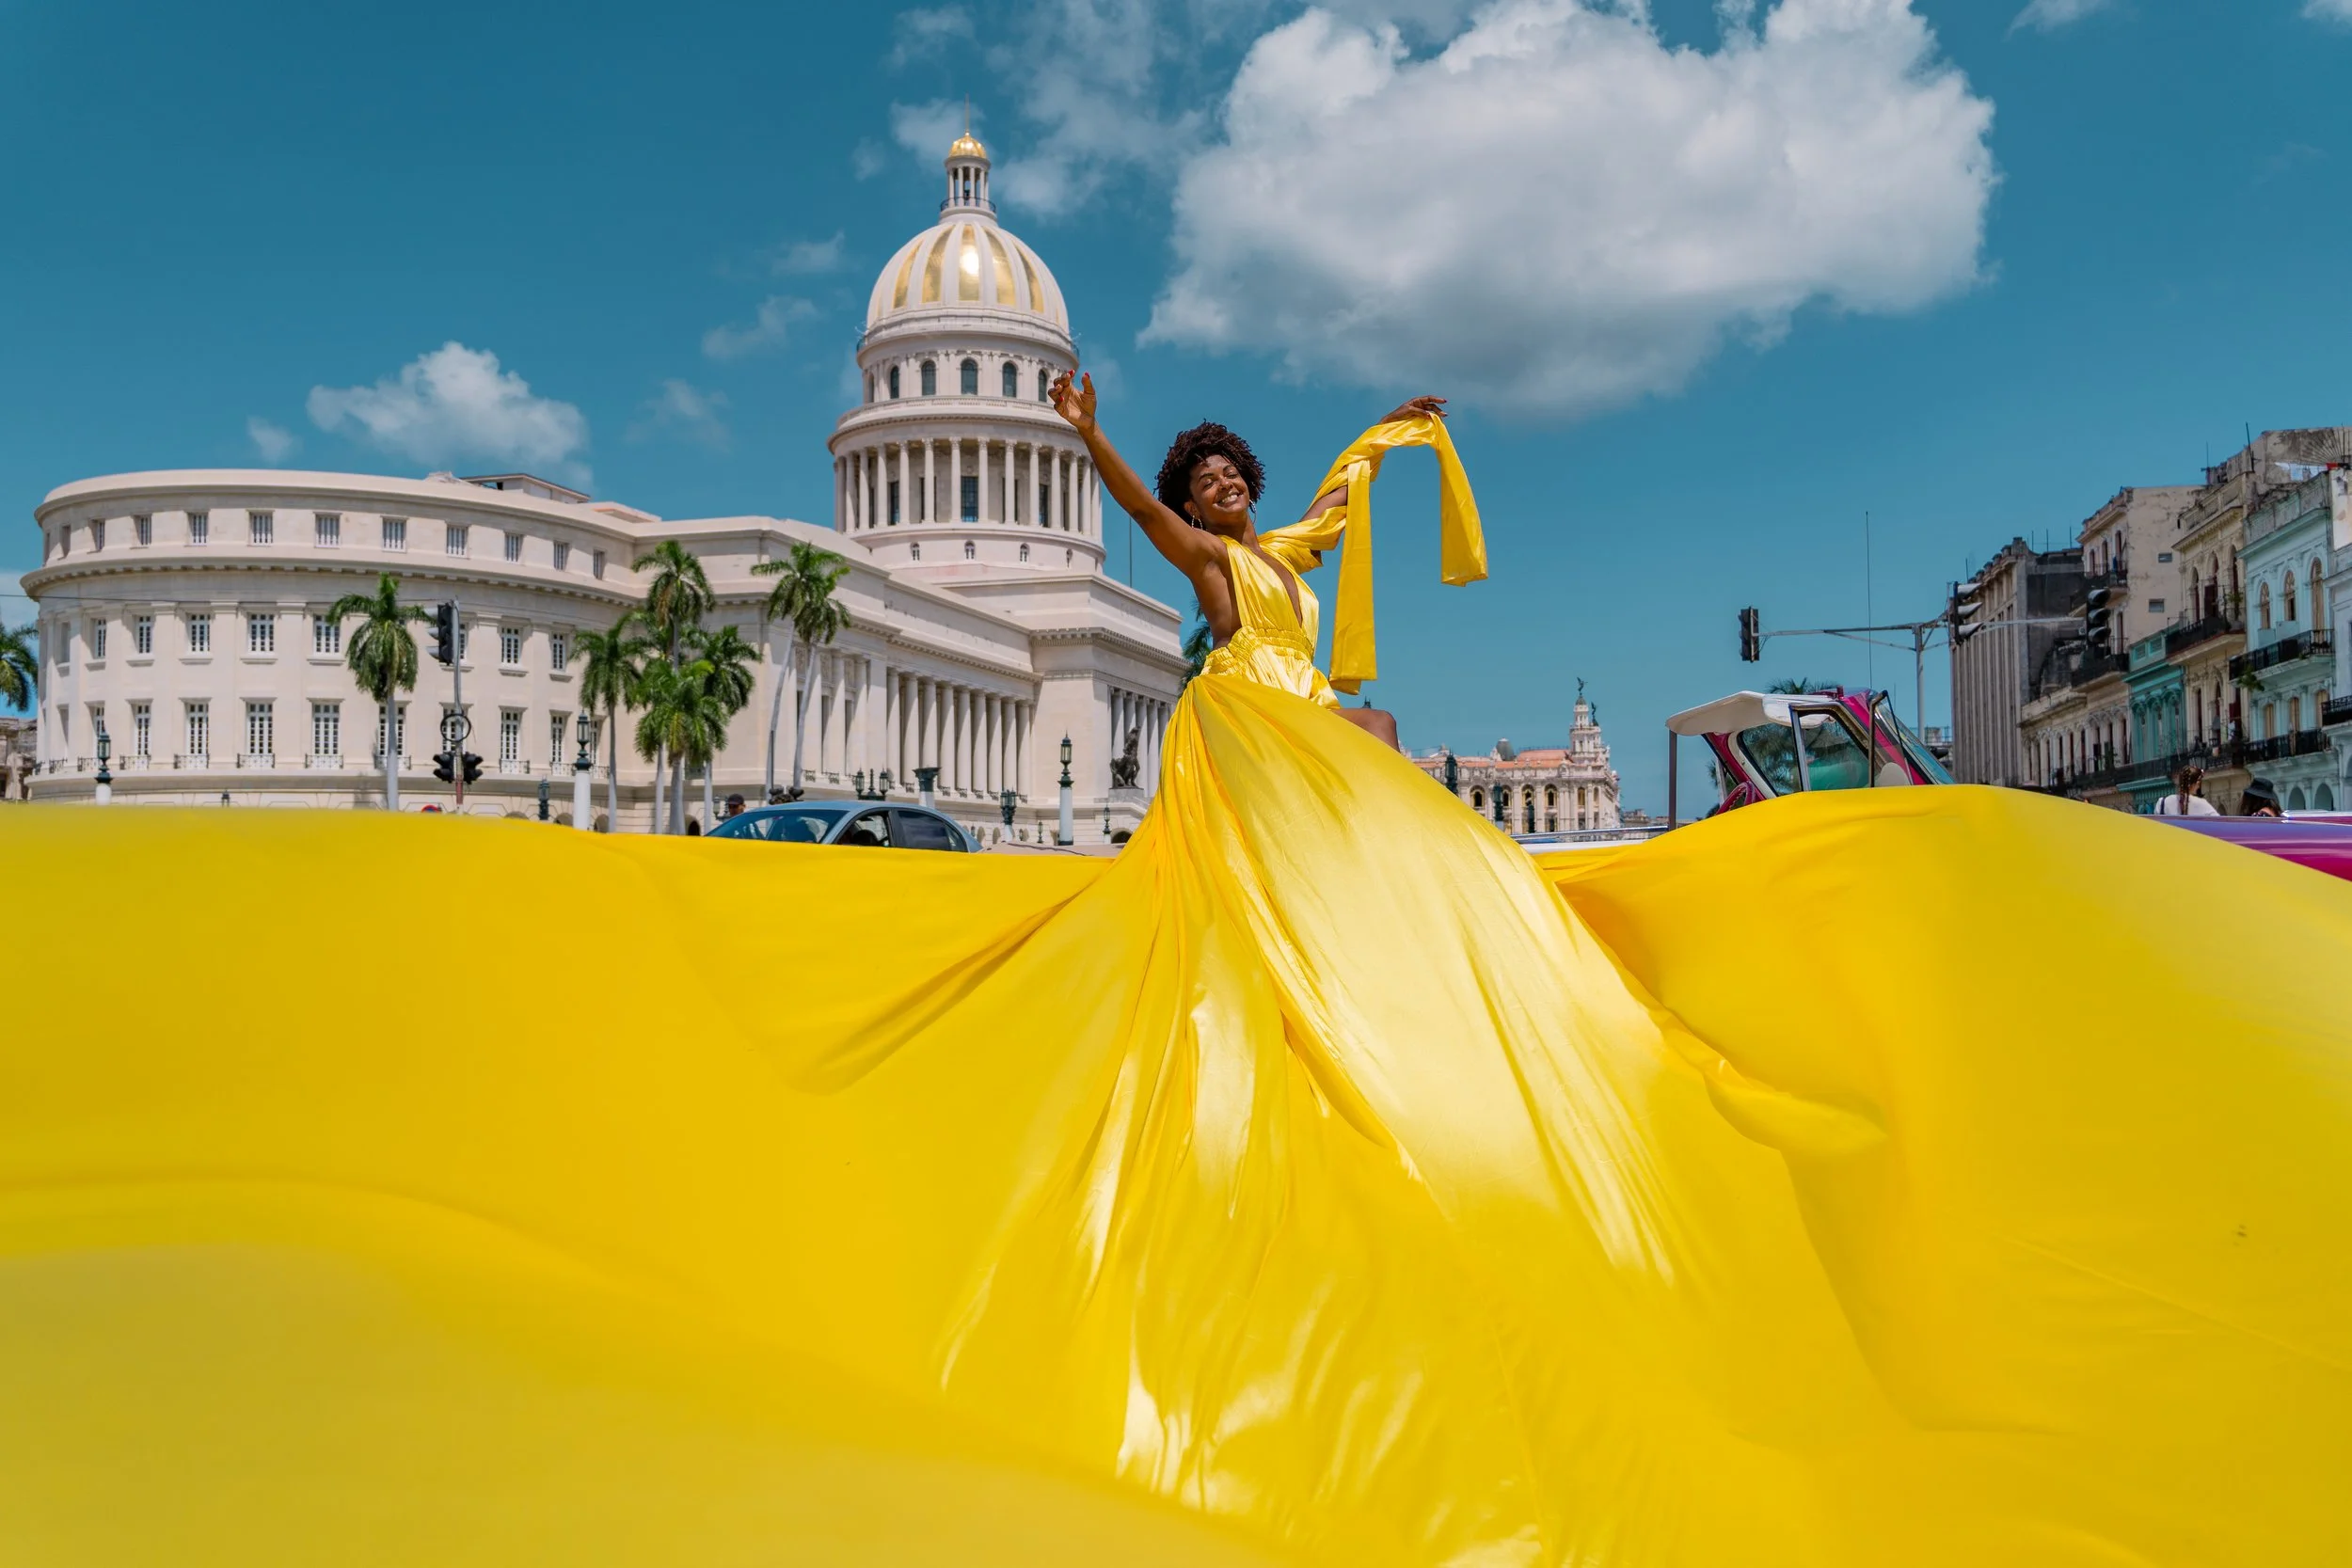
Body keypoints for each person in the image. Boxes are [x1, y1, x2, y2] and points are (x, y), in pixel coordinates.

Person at [6, 384, 2349, 1565]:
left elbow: (1365, 498)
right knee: (1251, 949)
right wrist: (1102, 437)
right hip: (1240, 753)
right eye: (1218, 492)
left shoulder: (1285, 543)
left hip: (1307, 745)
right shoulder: (1165, 544)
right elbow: (1148, 519)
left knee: (1402, 939)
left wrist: (1400, 457)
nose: (1227, 507)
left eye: (1230, 489)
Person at [2153, 763, 2220, 816]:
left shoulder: (2162, 803)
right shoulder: (2203, 805)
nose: (2198, 787)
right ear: (2194, 784)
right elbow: (2220, 823)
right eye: (2198, 784)